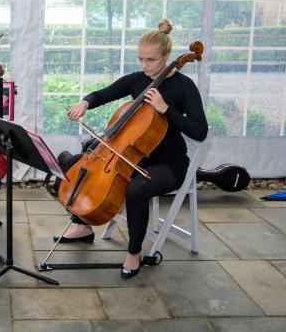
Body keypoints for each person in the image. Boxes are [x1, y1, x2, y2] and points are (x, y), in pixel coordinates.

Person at [55, 19, 208, 278]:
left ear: (167, 56)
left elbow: (199, 131)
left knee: (135, 190)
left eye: (151, 60)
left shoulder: (184, 87)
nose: (144, 66)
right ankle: (83, 225)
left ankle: (134, 253)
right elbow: (105, 94)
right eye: (140, 59)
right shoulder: (138, 80)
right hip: (131, 156)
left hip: (168, 163)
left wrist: (166, 109)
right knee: (75, 164)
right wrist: (85, 102)